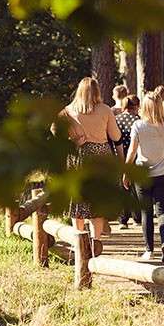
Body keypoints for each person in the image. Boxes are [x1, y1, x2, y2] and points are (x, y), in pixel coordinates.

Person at [64, 77, 122, 254]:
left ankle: (78, 241)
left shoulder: (68, 110)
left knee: (78, 201)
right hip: (101, 157)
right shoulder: (105, 110)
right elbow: (116, 136)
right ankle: (95, 240)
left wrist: (73, 138)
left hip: (78, 157)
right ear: (97, 91)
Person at [123, 91, 164, 263]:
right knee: (163, 211)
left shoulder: (138, 126)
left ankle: (149, 249)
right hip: (163, 173)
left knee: (146, 212)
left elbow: (132, 151)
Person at [115, 95, 141, 229]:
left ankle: (123, 219)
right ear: (136, 106)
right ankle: (137, 218)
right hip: (135, 155)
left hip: (120, 154)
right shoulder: (137, 120)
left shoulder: (117, 119)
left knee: (122, 187)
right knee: (136, 188)